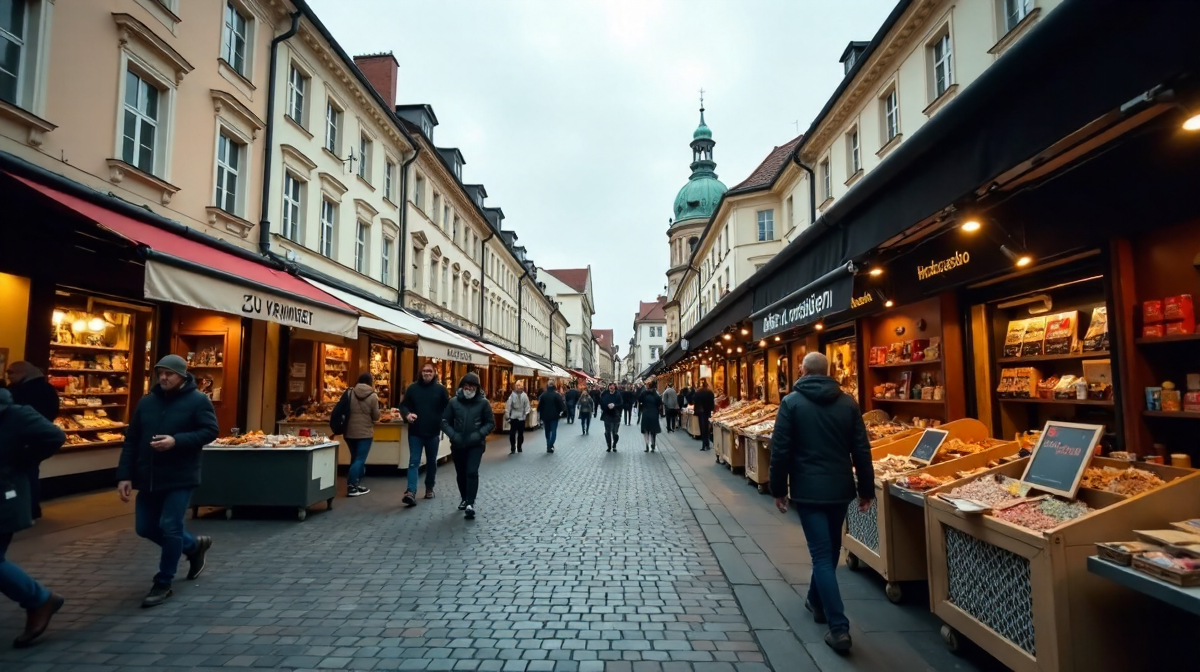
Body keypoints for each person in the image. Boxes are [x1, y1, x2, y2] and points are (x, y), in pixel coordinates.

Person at [769, 352, 874, 653]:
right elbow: (861, 450)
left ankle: (839, 628)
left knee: (822, 556)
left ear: (802, 370)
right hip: (840, 488)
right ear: (828, 371)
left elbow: (780, 450)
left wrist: (779, 489)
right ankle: (816, 602)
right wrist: (866, 489)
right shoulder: (848, 402)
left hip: (808, 488)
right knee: (829, 550)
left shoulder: (792, 402)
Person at [117, 355, 219, 608]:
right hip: (149, 475)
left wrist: (177, 440)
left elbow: (210, 431)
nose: (163, 378)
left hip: (180, 474)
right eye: (160, 373)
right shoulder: (147, 402)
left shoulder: (198, 401)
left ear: (182, 376)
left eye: (169, 374)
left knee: (170, 526)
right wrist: (124, 475)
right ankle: (193, 547)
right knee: (146, 527)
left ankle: (164, 581)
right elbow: (132, 440)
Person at [0, 388, 66, 648]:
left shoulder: (15, 414)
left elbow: (54, 435)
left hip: (4, 495)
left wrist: (21, 461)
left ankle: (39, 599)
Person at [5, 362, 59, 521]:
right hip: (34, 441)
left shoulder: (21, 392)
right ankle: (30, 508)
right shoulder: (47, 390)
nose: (9, 376)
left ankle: (21, 509)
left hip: (23, 442)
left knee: (20, 478)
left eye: (11, 372)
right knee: (29, 475)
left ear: (23, 372)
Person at [440, 373, 494, 519]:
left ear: (477, 388)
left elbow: (490, 423)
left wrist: (478, 434)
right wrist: (453, 435)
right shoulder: (454, 402)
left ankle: (470, 502)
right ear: (462, 386)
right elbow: (444, 421)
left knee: (471, 471)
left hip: (476, 444)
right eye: (466, 385)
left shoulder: (484, 403)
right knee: (461, 473)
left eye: (472, 386)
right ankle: (464, 498)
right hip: (458, 444)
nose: (469, 388)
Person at [399, 363, 449, 506]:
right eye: (424, 371)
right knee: (414, 462)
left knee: (432, 461)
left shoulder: (441, 390)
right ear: (420, 373)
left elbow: (448, 408)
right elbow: (403, 405)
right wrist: (407, 415)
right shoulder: (413, 388)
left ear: (434, 373)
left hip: (433, 432)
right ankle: (411, 492)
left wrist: (444, 423)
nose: (427, 373)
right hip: (415, 431)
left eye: (430, 371)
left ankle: (429, 488)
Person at [344, 372, 381, 497]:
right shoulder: (373, 396)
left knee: (355, 458)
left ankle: (356, 482)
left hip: (349, 431)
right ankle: (352, 486)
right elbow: (376, 416)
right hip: (365, 432)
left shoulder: (350, 392)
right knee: (360, 459)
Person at [638, 378, 664, 452]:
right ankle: (653, 444)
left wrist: (643, 405)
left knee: (646, 430)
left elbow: (639, 400)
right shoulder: (656, 395)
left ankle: (647, 445)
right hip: (654, 414)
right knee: (653, 431)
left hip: (646, 413)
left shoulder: (644, 393)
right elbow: (660, 403)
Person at [537, 383, 565, 453]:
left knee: (547, 431)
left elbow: (540, 407)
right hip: (554, 416)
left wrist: (540, 416)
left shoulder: (543, 395)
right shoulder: (556, 395)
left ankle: (548, 443)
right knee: (553, 431)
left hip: (545, 416)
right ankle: (550, 444)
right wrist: (560, 412)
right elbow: (561, 405)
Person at [505, 382, 531, 454]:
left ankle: (519, 446)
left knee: (520, 433)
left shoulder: (524, 396)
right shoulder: (512, 396)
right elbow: (508, 406)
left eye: (520, 387)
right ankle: (513, 446)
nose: (518, 388)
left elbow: (527, 405)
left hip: (521, 417)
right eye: (517, 387)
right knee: (512, 433)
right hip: (513, 416)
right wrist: (507, 416)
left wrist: (526, 413)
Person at [693, 379, 716, 451]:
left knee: (702, 428)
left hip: (700, 412)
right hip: (707, 412)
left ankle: (704, 444)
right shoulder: (710, 393)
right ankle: (707, 444)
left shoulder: (698, 392)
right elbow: (712, 402)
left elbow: (693, 399)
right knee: (707, 428)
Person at [600, 382, 623, 452]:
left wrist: (614, 405)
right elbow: (601, 403)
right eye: (610, 386)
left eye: (612, 386)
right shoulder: (605, 394)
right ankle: (609, 445)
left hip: (615, 415)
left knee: (615, 432)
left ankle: (614, 444)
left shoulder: (618, 394)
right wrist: (607, 406)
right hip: (607, 415)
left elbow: (621, 404)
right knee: (607, 432)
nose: (611, 387)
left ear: (614, 387)